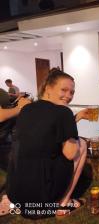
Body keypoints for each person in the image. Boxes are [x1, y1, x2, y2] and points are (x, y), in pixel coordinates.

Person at [0, 68, 88, 218]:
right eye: (64, 90)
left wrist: (74, 119)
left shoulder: (26, 109)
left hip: (17, 195)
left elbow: (47, 132)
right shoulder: (63, 112)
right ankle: (63, 204)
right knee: (82, 144)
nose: (68, 96)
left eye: (71, 92)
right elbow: (70, 153)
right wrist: (72, 126)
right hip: (41, 199)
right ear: (48, 88)